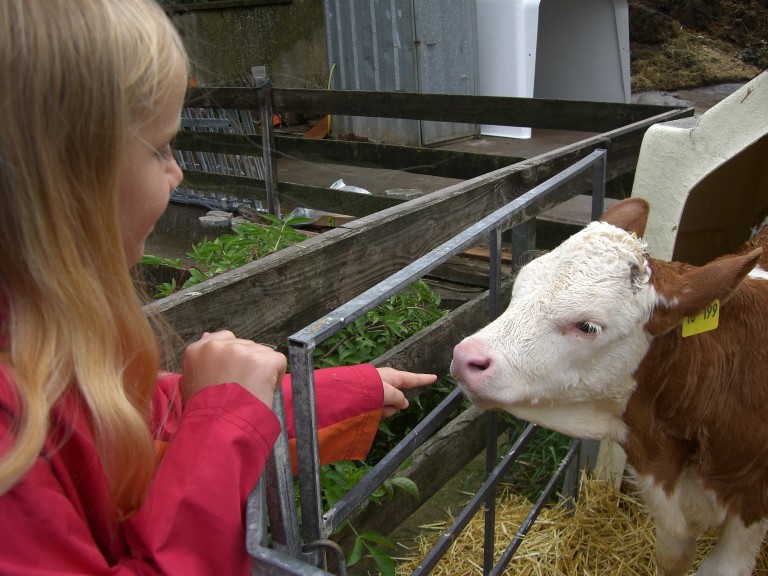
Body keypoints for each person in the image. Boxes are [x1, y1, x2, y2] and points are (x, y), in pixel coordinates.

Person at [0, 1, 436, 574]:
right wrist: (224, 414)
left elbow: (150, 417)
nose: (178, 171)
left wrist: (336, 393)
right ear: (66, 178)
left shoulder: (44, 344)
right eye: (160, 148)